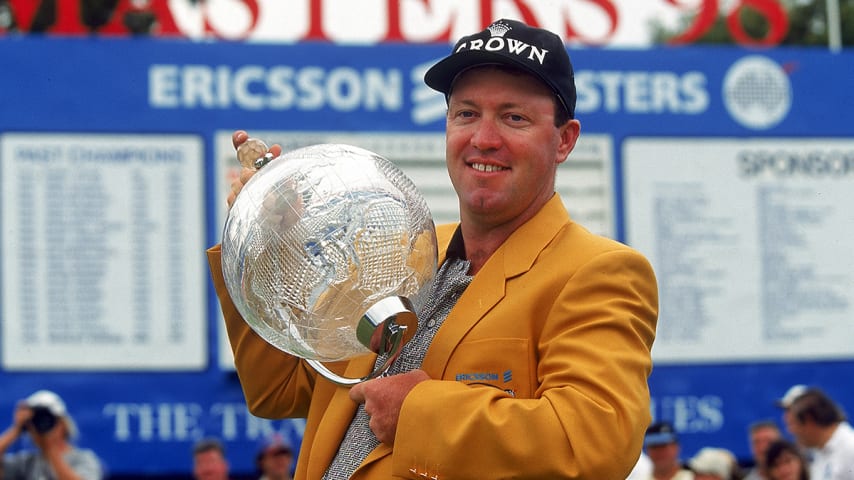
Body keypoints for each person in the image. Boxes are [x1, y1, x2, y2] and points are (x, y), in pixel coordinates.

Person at [208, 18, 658, 479]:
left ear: (564, 140)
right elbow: (279, 389)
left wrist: (419, 413)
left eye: (514, 117)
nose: (483, 138)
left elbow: (594, 443)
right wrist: (267, 240)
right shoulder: (400, 251)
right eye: (466, 113)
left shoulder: (599, 272)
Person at [0, 390, 103, 480]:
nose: (42, 426)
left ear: (63, 424)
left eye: (49, 421)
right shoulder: (26, 462)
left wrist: (50, 448)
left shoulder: (84, 459)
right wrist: (17, 429)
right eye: (36, 422)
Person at [783, 388, 854, 480]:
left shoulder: (850, 448)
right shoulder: (820, 451)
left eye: (793, 424)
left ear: (809, 420)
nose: (790, 431)